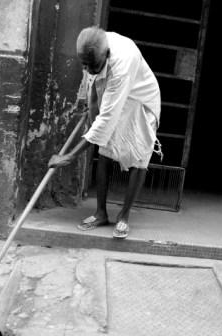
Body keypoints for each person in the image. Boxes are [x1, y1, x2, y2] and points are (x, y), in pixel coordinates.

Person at [48, 26, 161, 239]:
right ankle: (101, 213)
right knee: (104, 152)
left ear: (107, 55)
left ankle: (124, 216)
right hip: (115, 95)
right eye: (85, 65)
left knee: (139, 157)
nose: (89, 70)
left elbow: (106, 120)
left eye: (94, 66)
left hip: (139, 102)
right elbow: (91, 81)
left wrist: (69, 156)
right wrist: (88, 102)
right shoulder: (92, 47)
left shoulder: (122, 62)